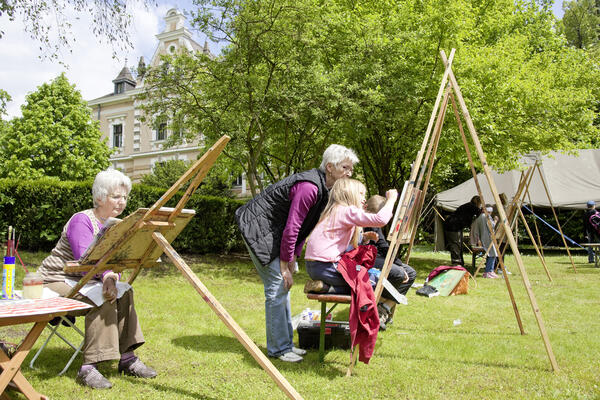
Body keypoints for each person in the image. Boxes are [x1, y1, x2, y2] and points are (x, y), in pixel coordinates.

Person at [235, 144, 359, 363]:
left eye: (351, 169)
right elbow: (292, 227)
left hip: (274, 232)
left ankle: (286, 344)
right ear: (330, 167)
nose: (350, 173)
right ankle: (279, 349)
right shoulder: (309, 187)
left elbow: (305, 228)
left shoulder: (325, 189)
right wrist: (284, 266)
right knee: (277, 286)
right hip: (258, 229)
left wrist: (293, 257)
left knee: (284, 287)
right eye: (346, 168)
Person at [38, 169, 156, 389]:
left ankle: (127, 358)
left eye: (125, 197)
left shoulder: (117, 224)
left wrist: (112, 276)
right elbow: (86, 262)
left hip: (88, 278)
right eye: (116, 196)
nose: (122, 202)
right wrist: (107, 279)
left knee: (124, 290)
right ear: (100, 197)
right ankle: (89, 367)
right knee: (102, 296)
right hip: (56, 278)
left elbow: (116, 260)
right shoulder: (82, 220)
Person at [303, 179, 398, 297]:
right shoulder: (346, 210)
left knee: (362, 279)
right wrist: (391, 199)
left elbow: (343, 247)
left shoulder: (333, 210)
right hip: (328, 266)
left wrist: (363, 238)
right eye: (361, 194)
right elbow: (381, 220)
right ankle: (331, 289)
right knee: (373, 280)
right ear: (348, 193)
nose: (364, 199)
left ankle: (325, 287)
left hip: (314, 267)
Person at [363, 195, 417, 329]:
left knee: (410, 272)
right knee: (398, 273)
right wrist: (396, 266)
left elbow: (382, 245)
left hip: (377, 257)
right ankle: (377, 305)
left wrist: (398, 263)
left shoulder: (375, 223)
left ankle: (384, 308)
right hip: (366, 260)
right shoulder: (361, 220)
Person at [443, 195, 482, 266]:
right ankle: (456, 263)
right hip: (453, 226)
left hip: (453, 225)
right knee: (455, 244)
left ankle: (460, 262)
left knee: (458, 244)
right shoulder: (473, 207)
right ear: (478, 202)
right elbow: (480, 214)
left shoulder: (468, 205)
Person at [470, 204, 499, 278]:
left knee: (493, 251)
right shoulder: (485, 216)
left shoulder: (481, 216)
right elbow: (491, 227)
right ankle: (488, 271)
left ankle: (490, 270)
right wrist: (495, 221)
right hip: (485, 239)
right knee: (492, 252)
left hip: (483, 238)